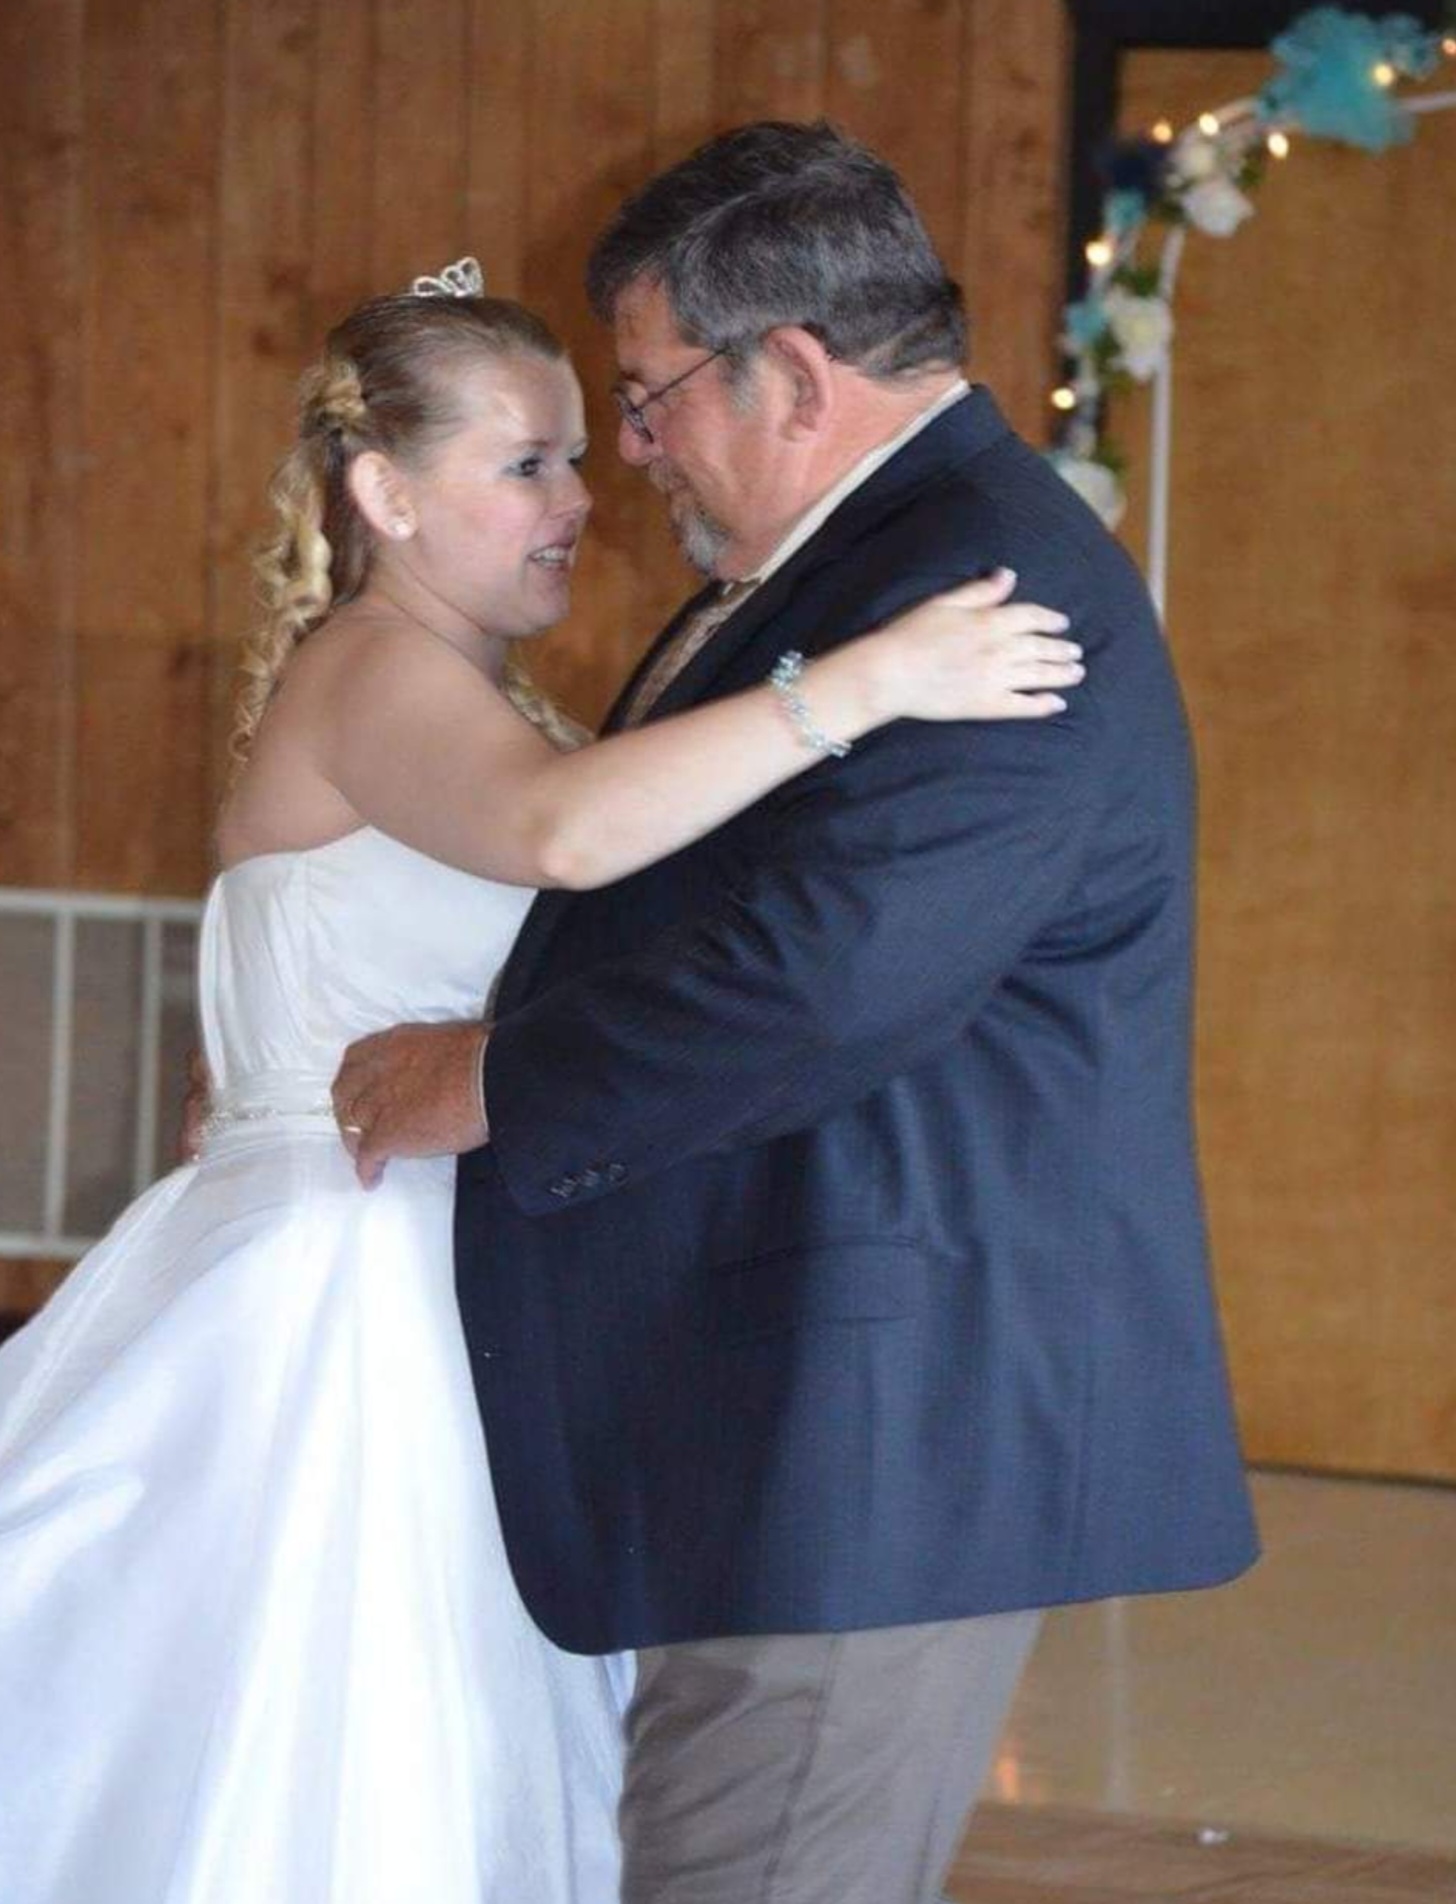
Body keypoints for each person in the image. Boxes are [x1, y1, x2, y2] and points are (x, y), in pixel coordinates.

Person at [0, 263, 1082, 1904]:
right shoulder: (374, 669)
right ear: (386, 493)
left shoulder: (460, 688)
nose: (583, 500)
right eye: (528, 464)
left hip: (431, 1267)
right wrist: (862, 685)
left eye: (582, 454)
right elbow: (563, 835)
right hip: (347, 1306)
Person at [337, 124, 1261, 1904]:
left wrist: (491, 1082)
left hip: (875, 1425)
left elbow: (819, 980)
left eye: (650, 392)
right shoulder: (871, 562)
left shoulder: (993, 588)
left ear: (796, 374)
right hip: (791, 1402)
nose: (632, 445)